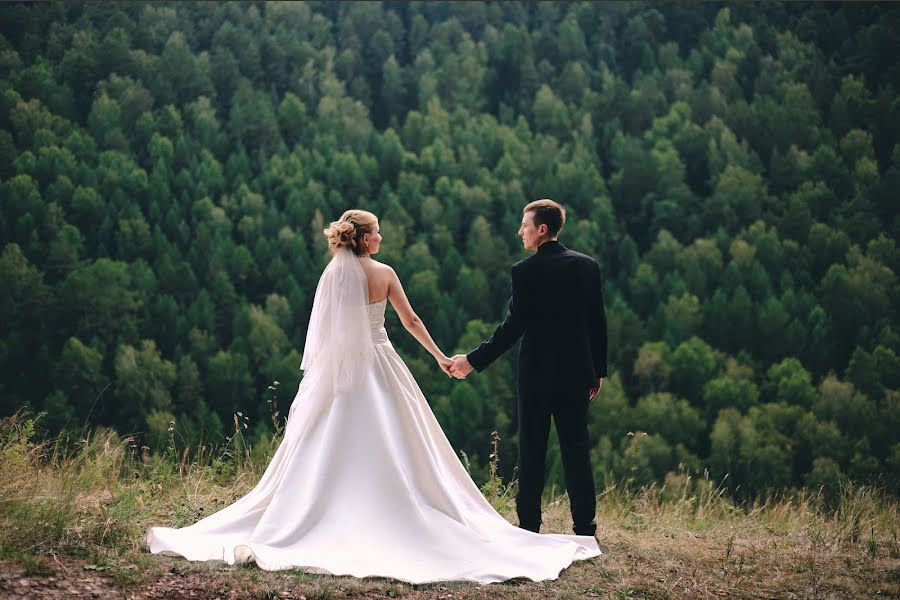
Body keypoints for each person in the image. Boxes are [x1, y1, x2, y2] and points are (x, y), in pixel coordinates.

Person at [146, 209, 599, 584]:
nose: (381, 237)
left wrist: (331, 368)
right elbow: (413, 321)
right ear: (364, 240)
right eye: (377, 232)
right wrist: (445, 358)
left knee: (330, 440)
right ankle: (581, 530)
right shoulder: (383, 274)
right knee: (408, 437)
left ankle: (332, 506)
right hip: (387, 364)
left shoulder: (332, 276)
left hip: (341, 373)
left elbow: (323, 332)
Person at [449, 199, 607, 539]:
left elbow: (512, 328)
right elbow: (598, 322)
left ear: (542, 230)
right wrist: (598, 371)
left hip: (536, 375)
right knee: (576, 449)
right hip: (577, 373)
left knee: (532, 449)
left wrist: (472, 360)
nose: (520, 231)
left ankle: (530, 528)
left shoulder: (524, 271)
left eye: (525, 225)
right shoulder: (587, 266)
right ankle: (585, 528)